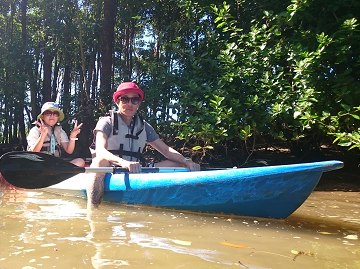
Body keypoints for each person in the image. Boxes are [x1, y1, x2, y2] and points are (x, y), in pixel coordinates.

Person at [87, 82, 200, 210]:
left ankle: (182, 201)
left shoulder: (144, 126)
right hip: (110, 168)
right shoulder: (106, 122)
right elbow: (100, 150)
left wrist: (187, 161)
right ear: (117, 102)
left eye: (134, 100)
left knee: (179, 164)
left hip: (137, 169)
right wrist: (124, 162)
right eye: (125, 99)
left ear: (138, 104)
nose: (129, 103)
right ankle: (93, 209)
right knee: (100, 161)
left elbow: (165, 150)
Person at [26, 102, 85, 167]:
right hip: (39, 165)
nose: (52, 116)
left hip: (55, 164)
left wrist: (73, 137)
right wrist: (42, 136)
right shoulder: (35, 130)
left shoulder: (60, 131)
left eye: (55, 113)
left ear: (58, 117)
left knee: (80, 161)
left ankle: (59, 173)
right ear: (42, 116)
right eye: (48, 113)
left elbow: (69, 151)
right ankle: (59, 173)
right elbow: (34, 152)